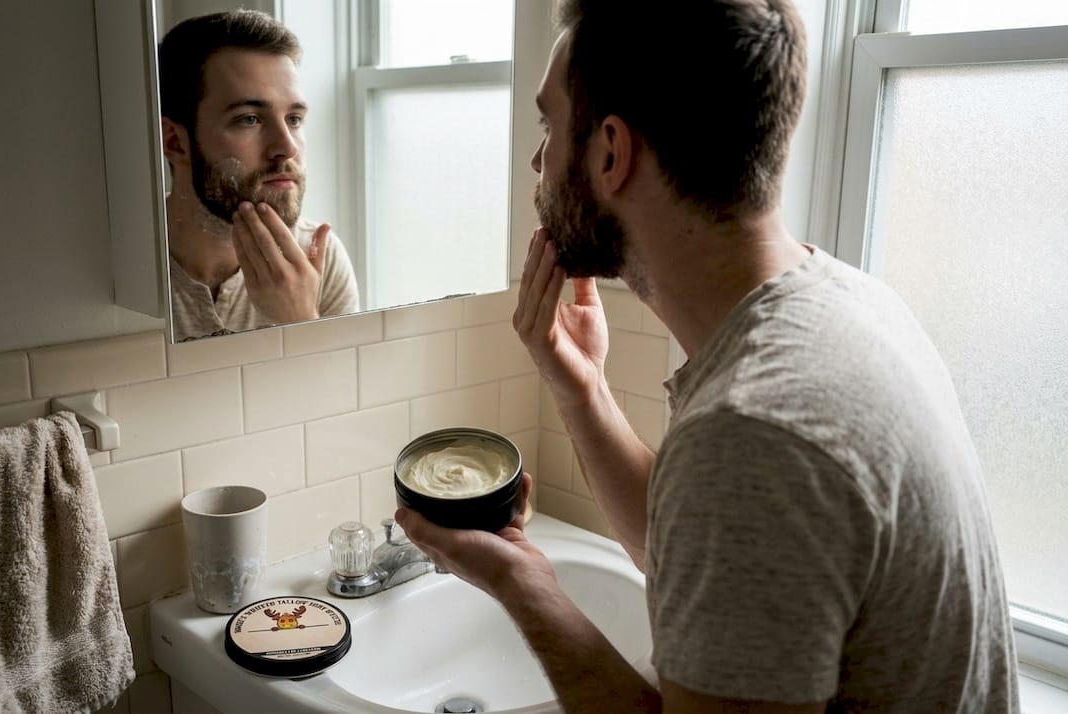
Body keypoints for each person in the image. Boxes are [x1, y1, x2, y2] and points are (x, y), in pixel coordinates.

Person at [397, 1, 1020, 712]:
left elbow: (742, 479)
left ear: (610, 152)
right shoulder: (845, 302)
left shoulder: (755, 430)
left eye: (548, 125)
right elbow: (699, 551)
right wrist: (583, 390)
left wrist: (525, 588)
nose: (537, 162)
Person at [158, 10, 359, 341]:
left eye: (294, 119)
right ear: (176, 142)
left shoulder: (316, 259)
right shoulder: (123, 272)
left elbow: (344, 393)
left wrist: (299, 319)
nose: (287, 148)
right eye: (249, 119)